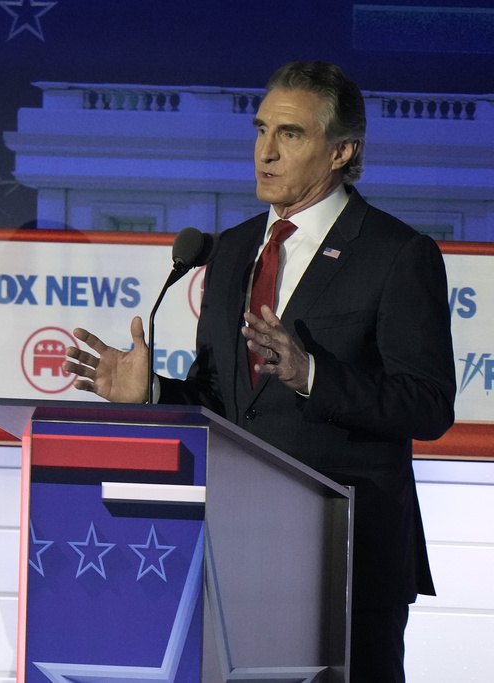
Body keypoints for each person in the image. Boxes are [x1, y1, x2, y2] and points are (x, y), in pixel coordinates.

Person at [63, 61, 455, 683]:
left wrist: (313, 376)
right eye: (261, 129)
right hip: (238, 550)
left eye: (291, 134)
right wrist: (154, 392)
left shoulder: (397, 254)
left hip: (346, 552)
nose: (265, 152)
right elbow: (223, 399)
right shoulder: (233, 249)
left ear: (341, 151)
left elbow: (428, 405)